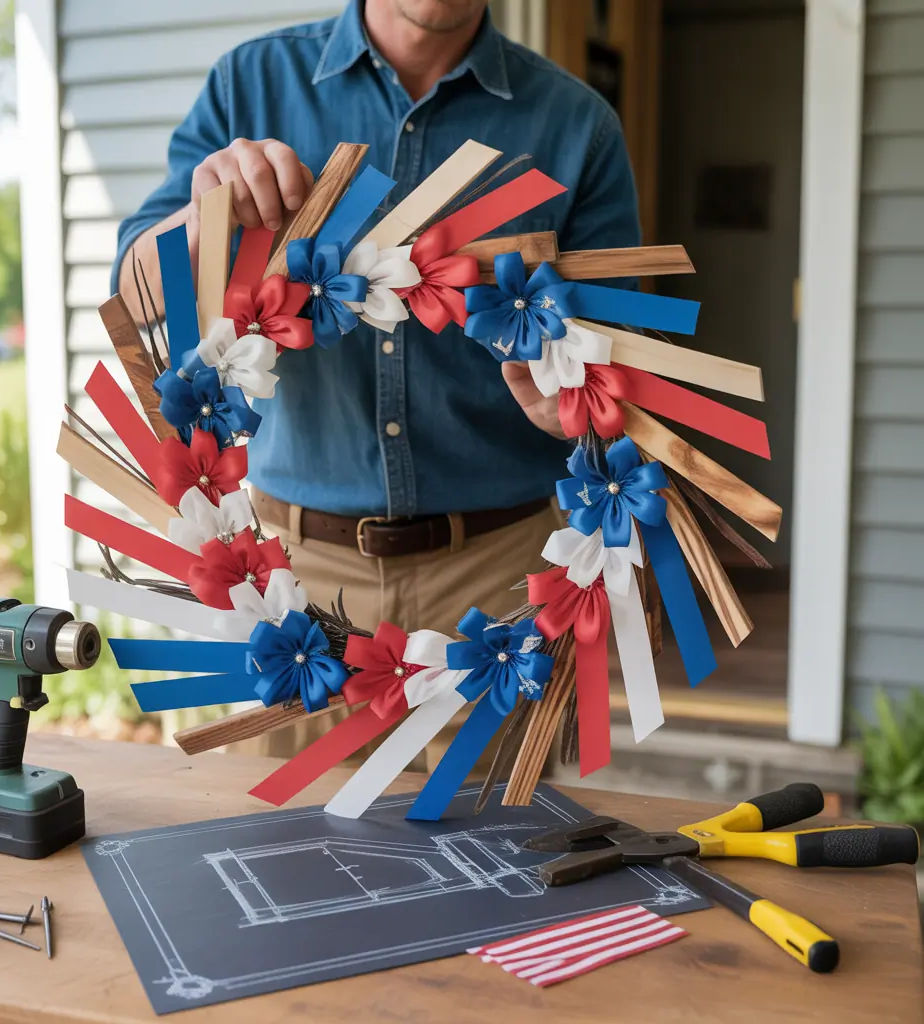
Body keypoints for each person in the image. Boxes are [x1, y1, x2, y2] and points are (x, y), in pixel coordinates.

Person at [114, 0, 640, 765]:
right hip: (292, 581)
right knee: (287, 839)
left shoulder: (575, 124)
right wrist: (203, 221)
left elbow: (626, 370)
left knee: (498, 842)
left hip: (499, 581)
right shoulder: (250, 84)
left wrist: (582, 413)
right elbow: (133, 297)